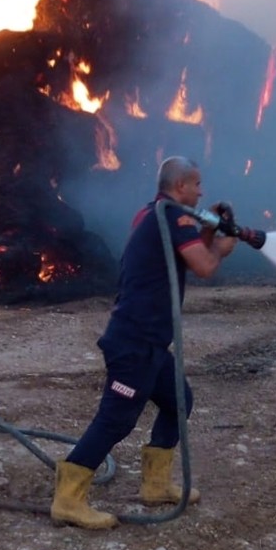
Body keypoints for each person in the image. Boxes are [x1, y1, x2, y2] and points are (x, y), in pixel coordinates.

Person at [51, 156, 236, 529]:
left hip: (149, 342)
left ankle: (155, 485)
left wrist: (209, 231)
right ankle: (67, 500)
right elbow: (203, 266)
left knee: (178, 400)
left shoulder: (153, 214)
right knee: (116, 419)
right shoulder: (174, 217)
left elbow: (184, 254)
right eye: (197, 185)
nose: (202, 192)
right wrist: (222, 245)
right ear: (180, 186)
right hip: (133, 342)